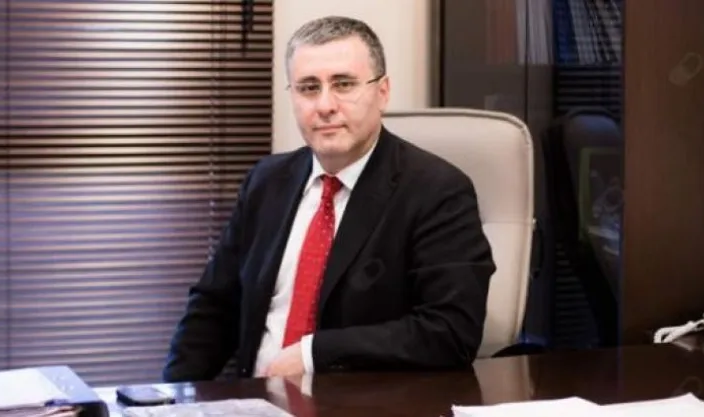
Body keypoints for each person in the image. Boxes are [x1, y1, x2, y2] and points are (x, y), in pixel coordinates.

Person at [162, 15, 495, 382]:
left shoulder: (437, 191)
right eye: (308, 87)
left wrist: (312, 354)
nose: (324, 105)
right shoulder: (266, 181)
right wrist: (168, 398)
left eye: (343, 84)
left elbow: (450, 332)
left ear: (382, 92)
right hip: (255, 399)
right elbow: (214, 306)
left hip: (360, 403)